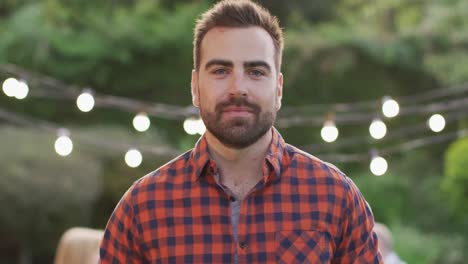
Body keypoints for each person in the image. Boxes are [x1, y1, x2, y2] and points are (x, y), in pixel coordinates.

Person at [99, 0, 382, 263]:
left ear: (279, 88)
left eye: (256, 72)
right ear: (195, 87)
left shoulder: (335, 196)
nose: (238, 88)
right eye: (221, 70)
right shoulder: (142, 207)